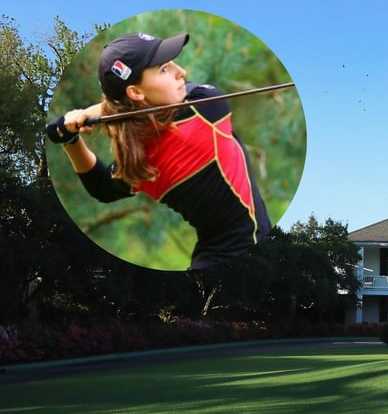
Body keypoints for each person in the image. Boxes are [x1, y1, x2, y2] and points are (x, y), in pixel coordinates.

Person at [46, 32, 271, 270]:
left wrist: (70, 139)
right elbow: (178, 98)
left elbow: (102, 187)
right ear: (136, 92)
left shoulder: (136, 160)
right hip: (253, 247)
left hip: (208, 260)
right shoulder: (206, 108)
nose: (180, 71)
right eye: (164, 69)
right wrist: (91, 113)